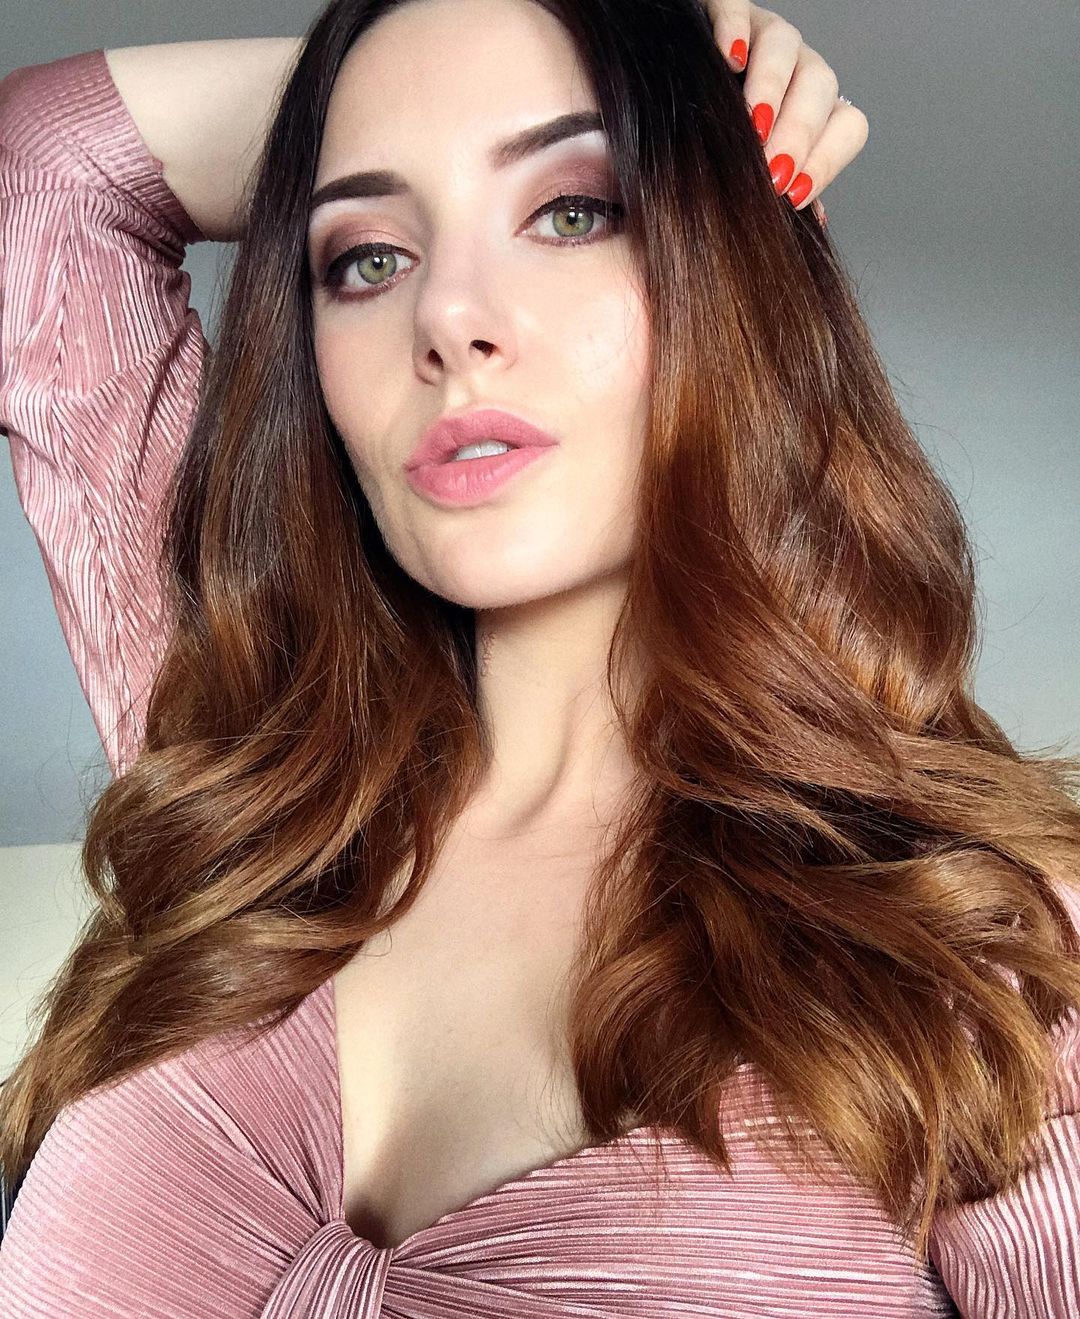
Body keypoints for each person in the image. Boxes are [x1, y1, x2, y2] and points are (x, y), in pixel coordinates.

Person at [1, 0, 1078, 1314]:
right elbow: (38, 177)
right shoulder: (246, 766)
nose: (449, 316)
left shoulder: (980, 943)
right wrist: (367, 95)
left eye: (572, 210)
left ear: (729, 267)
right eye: (367, 256)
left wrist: (678, 97)